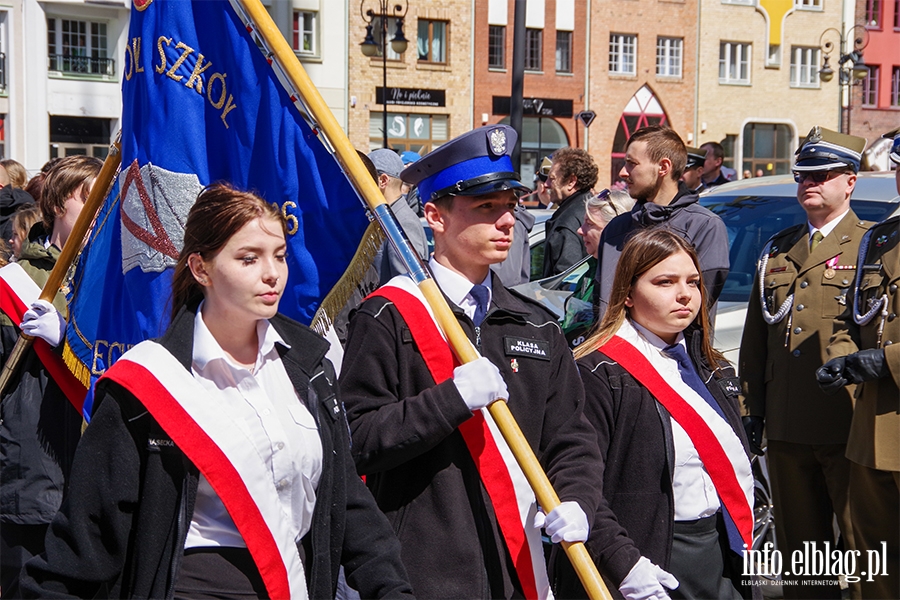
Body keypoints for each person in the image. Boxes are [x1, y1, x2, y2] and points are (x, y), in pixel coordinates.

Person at [17, 183, 415, 599]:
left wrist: (390, 589)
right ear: (201, 268)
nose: (272, 273)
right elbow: (85, 542)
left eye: (279, 255)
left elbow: (347, 502)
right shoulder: (146, 386)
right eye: (248, 258)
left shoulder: (308, 368)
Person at [340, 124, 602, 600]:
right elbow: (356, 438)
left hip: (519, 566)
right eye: (487, 208)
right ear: (434, 216)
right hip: (421, 571)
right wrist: (449, 401)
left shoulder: (535, 325)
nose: (507, 222)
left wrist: (578, 499)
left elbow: (571, 438)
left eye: (510, 207)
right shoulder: (388, 316)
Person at [553, 228, 754, 600]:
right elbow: (581, 485)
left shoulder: (711, 366)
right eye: (665, 282)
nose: (684, 294)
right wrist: (624, 563)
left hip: (719, 548)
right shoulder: (597, 373)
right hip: (649, 553)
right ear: (627, 294)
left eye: (693, 282)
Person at [740, 126, 870, 599]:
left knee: (859, 552)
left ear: (850, 181)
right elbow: (757, 338)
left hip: (848, 423)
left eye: (822, 174)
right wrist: (751, 410)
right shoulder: (779, 248)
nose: (809, 184)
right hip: (788, 423)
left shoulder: (871, 247)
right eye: (802, 175)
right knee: (802, 556)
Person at [0, 155, 101, 592]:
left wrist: (68, 341)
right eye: (90, 197)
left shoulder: (113, 282)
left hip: (94, 480)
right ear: (59, 203)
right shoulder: (14, 281)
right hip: (30, 480)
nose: (100, 208)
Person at [817, 125, 900, 600]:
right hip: (871, 432)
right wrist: (844, 357)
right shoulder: (883, 238)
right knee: (875, 566)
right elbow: (853, 317)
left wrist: (885, 361)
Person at [595, 126, 730, 322]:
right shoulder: (616, 230)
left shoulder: (703, 227)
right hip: (614, 350)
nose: (624, 172)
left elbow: (697, 311)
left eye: (632, 164)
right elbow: (602, 305)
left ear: (663, 168)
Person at [562, 189, 635, 348]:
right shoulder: (592, 270)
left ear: (615, 229)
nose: (580, 230)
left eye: (590, 224)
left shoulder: (626, 278)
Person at [368, 148, 428, 285]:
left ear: (383, 181)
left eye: (365, 178)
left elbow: (405, 285)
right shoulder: (387, 217)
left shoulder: (403, 222)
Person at [542, 147, 598, 277]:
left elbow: (565, 282)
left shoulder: (567, 223)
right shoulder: (592, 208)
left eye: (552, 178)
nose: (546, 184)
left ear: (571, 182)